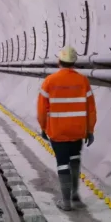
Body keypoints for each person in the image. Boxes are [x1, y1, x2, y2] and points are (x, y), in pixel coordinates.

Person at [37, 46, 97, 211]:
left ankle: (66, 202)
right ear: (74, 63)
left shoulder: (49, 81)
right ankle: (75, 194)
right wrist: (90, 130)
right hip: (78, 131)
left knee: (63, 163)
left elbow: (42, 110)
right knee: (75, 160)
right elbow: (91, 109)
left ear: (59, 62)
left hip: (58, 131)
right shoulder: (83, 81)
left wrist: (43, 127)